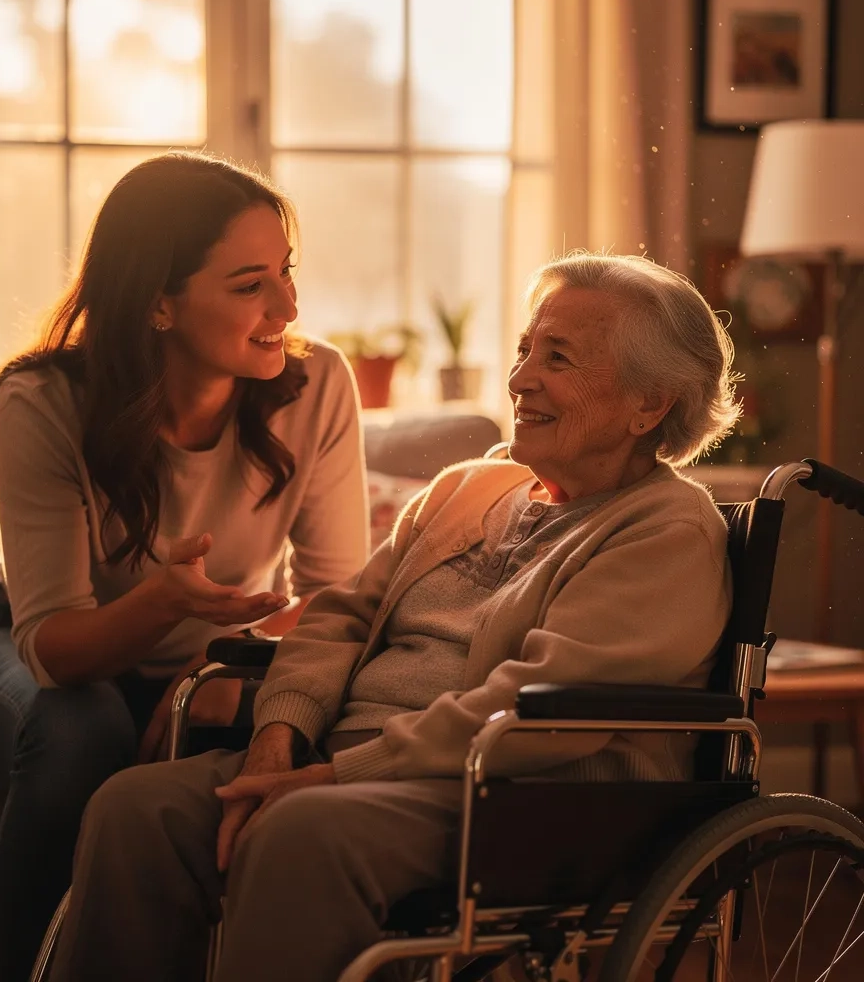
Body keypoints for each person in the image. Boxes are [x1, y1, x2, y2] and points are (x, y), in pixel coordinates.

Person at [48, 252, 742, 982]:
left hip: (516, 802)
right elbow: (340, 618)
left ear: (650, 403)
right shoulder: (467, 487)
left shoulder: (666, 531)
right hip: (354, 771)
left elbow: (542, 709)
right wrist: (276, 743)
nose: (520, 379)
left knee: (299, 832)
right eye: (524, 350)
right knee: (137, 811)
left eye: (558, 359)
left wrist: (339, 776)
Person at [0, 152, 369, 982]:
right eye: (250, 286)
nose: (288, 304)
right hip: (36, 645)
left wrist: (205, 670)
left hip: (213, 656)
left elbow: (335, 600)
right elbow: (54, 648)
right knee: (82, 732)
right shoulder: (45, 400)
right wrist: (166, 602)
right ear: (159, 302)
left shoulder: (319, 385)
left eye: (286, 272)